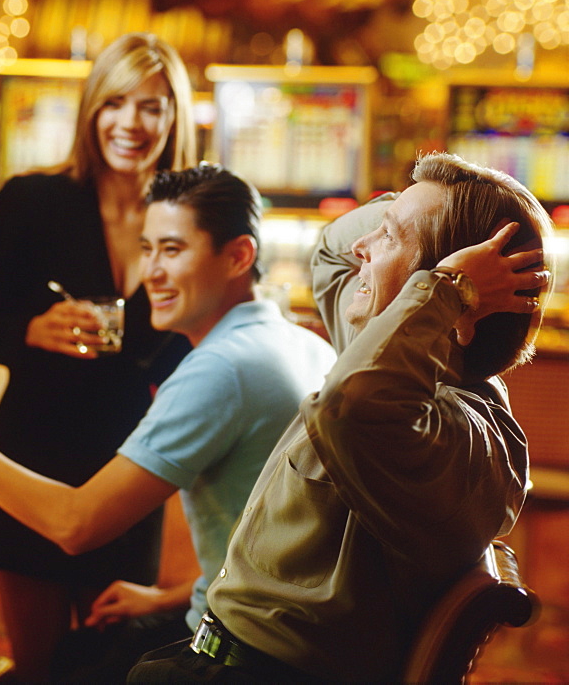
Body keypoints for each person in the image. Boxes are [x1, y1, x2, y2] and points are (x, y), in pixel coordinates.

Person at [0, 164, 337, 681]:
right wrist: (172, 594)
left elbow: (75, 525)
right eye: (146, 249)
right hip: (282, 632)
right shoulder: (300, 341)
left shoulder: (222, 367)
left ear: (238, 257)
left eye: (173, 250)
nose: (152, 273)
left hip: (234, 653)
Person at [127, 151, 553, 683]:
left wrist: (452, 286)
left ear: (456, 302)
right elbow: (331, 251)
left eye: (389, 237)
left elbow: (347, 407)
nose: (362, 247)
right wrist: (427, 205)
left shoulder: (453, 428)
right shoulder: (406, 363)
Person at [0, 32, 198, 681]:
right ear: (92, 110)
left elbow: (194, 344)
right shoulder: (32, 201)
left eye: (151, 106)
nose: (131, 123)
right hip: (33, 455)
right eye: (115, 102)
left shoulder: (188, 217)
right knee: (37, 668)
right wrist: (33, 328)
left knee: (114, 662)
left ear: (176, 117)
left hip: (131, 466)